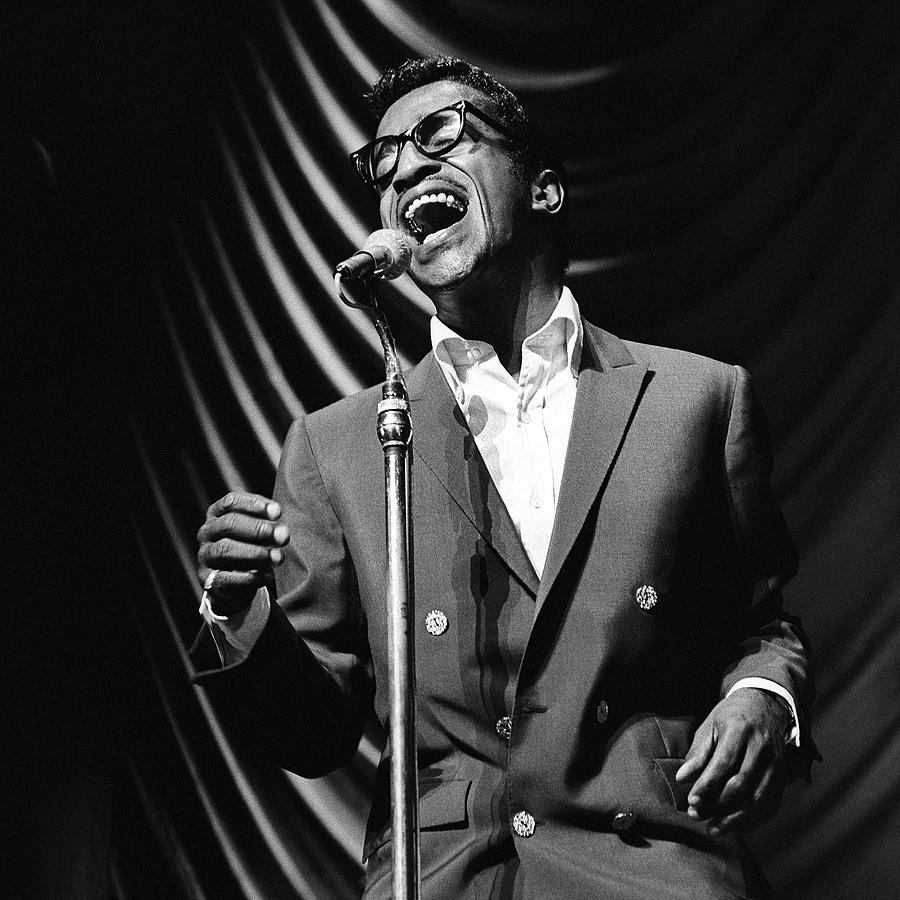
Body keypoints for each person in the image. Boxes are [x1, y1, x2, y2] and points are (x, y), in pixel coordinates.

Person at [192, 56, 814, 898]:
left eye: (439, 135)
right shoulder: (338, 447)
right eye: (384, 163)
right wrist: (240, 613)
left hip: (650, 869)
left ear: (543, 192)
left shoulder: (697, 400)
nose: (406, 166)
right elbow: (316, 737)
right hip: (448, 879)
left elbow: (762, 624)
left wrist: (764, 696)